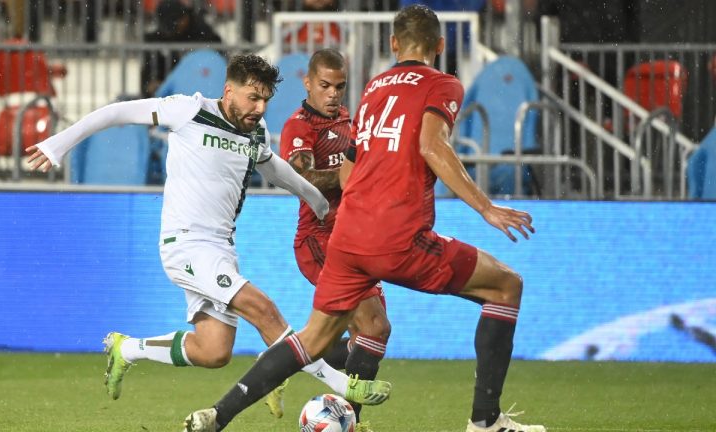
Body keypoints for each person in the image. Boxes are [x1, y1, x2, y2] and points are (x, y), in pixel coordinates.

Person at [181, 5, 545, 432]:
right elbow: (432, 145)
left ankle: (217, 416)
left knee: (317, 338)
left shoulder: (374, 89)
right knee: (506, 287)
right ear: (440, 46)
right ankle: (485, 422)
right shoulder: (442, 84)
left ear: (393, 44)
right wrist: (486, 207)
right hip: (397, 238)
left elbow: (351, 169)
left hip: (349, 236)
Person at [25, 53, 390, 419]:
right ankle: (342, 384)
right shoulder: (188, 110)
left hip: (220, 249)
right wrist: (57, 145)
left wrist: (319, 203)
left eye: (265, 100)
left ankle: (128, 348)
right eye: (253, 97)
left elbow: (277, 170)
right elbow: (115, 113)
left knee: (213, 351)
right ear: (229, 90)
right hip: (184, 244)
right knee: (264, 310)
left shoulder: (254, 132)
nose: (260, 108)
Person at [277, 48, 391, 432]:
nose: (333, 94)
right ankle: (351, 420)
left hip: (355, 238)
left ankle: (285, 362)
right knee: (370, 325)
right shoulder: (298, 128)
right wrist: (354, 175)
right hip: (319, 239)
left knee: (373, 330)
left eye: (339, 86)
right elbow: (303, 181)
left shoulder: (349, 121)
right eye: (324, 85)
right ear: (307, 83)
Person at [142, 0, 223, 97]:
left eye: (176, 23)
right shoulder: (158, 38)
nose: (175, 29)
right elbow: (151, 68)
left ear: (184, 18)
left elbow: (214, 62)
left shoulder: (203, 32)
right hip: (170, 89)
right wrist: (151, 83)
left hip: (196, 86)